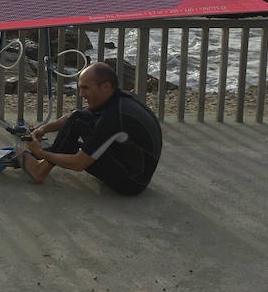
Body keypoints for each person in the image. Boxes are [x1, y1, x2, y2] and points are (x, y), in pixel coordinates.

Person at [21, 62, 162, 196]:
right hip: (133, 164)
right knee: (77, 121)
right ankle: (41, 160)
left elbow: (79, 164)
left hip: (131, 182)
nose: (81, 94)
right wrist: (44, 129)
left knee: (74, 146)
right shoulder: (119, 98)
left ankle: (39, 170)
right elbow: (74, 117)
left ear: (106, 87)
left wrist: (40, 152)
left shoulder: (114, 118)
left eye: (85, 88)